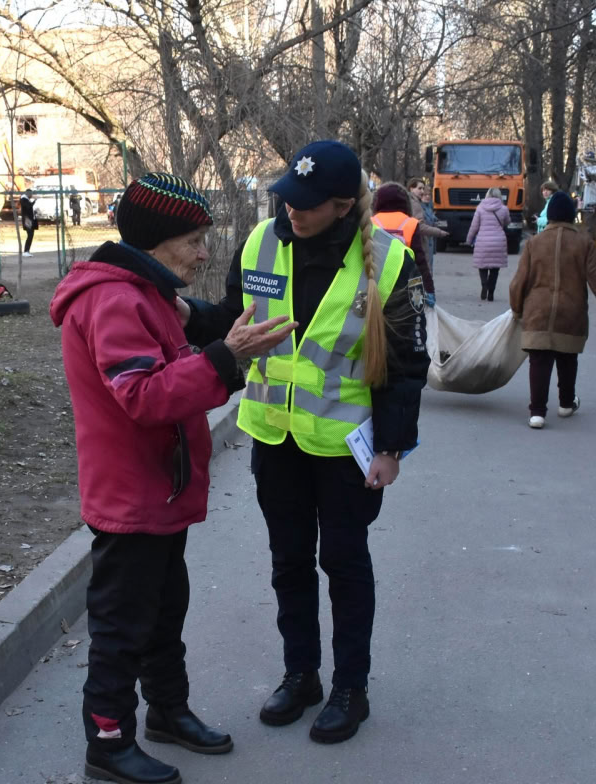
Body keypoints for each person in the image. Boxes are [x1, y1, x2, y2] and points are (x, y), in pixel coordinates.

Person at [50, 172, 295, 784]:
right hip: (131, 495)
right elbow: (141, 395)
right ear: (159, 242)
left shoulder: (148, 288)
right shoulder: (115, 300)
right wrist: (224, 359)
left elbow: (189, 324)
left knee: (164, 610)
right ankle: (108, 740)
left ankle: (166, 710)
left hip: (160, 488)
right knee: (121, 623)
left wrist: (227, 333)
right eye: (194, 240)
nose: (204, 252)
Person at [181, 140, 428, 745]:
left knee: (343, 565)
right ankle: (301, 674)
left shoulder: (391, 262)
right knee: (289, 562)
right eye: (288, 196)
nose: (292, 210)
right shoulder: (263, 240)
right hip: (275, 439)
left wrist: (393, 449)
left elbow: (406, 363)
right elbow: (232, 321)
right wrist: (184, 311)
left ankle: (351, 688)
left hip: (346, 447)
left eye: (308, 205)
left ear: (344, 206)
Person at [510, 192, 596, 428]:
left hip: (538, 312)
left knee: (539, 361)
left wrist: (517, 309)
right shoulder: (583, 243)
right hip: (571, 312)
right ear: (570, 215)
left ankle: (537, 412)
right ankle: (566, 403)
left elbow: (519, 282)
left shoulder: (534, 244)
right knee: (568, 359)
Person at [373, 182, 437, 307]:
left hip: (377, 282)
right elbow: (420, 261)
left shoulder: (371, 222)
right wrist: (429, 289)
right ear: (405, 202)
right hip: (404, 285)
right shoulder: (410, 223)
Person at [408, 177, 447, 307]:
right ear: (411, 188)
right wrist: (439, 232)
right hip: (418, 243)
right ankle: (419, 303)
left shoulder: (412, 202)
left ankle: (417, 302)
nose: (421, 191)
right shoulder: (415, 204)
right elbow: (421, 227)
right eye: (419, 188)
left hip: (416, 242)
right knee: (421, 274)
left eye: (423, 188)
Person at [467, 187, 511, 301]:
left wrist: (469, 240)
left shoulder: (480, 208)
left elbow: (474, 227)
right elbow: (507, 222)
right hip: (498, 242)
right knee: (495, 269)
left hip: (483, 241)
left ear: (487, 195)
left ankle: (484, 285)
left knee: (482, 266)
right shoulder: (504, 209)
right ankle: (491, 292)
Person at [19, 188, 37, 256]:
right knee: (30, 234)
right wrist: (34, 201)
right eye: (31, 194)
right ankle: (26, 251)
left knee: (31, 234)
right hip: (27, 219)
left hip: (29, 218)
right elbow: (29, 206)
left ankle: (27, 250)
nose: (32, 195)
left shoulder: (26, 199)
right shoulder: (24, 199)